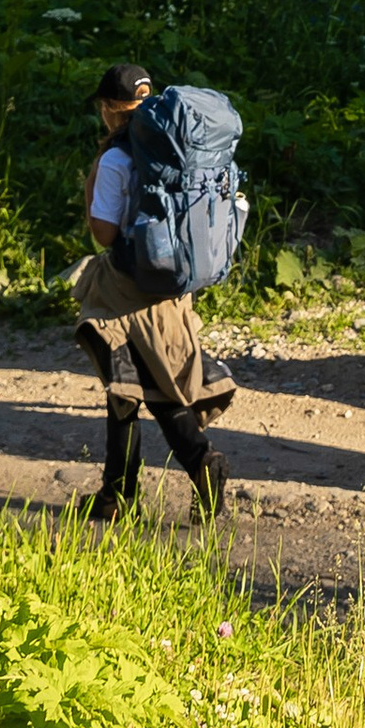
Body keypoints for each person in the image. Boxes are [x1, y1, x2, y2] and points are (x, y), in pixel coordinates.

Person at [69, 63, 236, 522]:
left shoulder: (115, 160)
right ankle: (119, 492)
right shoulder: (171, 149)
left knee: (130, 389)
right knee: (139, 385)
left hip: (125, 291)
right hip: (168, 284)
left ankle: (192, 466)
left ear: (107, 109)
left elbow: (104, 234)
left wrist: (90, 199)